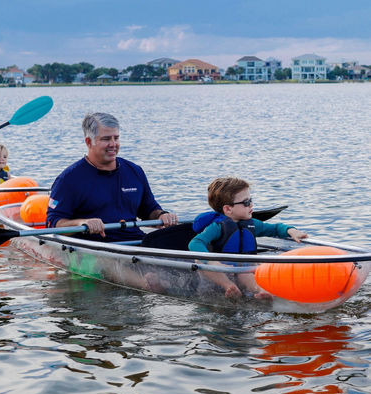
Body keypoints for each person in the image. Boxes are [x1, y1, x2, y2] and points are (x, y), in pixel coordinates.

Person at [46, 112, 178, 242]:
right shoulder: (69, 179)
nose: (113, 144)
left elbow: (149, 210)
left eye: (116, 138)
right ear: (88, 142)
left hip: (135, 242)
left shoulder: (135, 171)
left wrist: (162, 215)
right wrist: (83, 223)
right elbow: (52, 223)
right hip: (95, 248)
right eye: (106, 139)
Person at [188, 177, 308, 299]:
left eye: (250, 200)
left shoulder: (252, 224)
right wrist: (212, 262)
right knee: (200, 261)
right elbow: (195, 243)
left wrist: (290, 230)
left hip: (244, 271)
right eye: (246, 202)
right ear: (228, 209)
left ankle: (261, 291)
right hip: (222, 271)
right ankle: (229, 287)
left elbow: (275, 228)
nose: (251, 204)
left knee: (246, 271)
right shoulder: (217, 227)